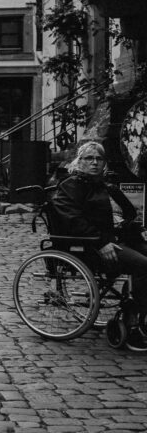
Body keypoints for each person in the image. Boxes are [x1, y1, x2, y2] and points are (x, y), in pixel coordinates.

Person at [51, 141, 147, 351]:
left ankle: (139, 311)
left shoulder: (107, 186)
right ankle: (132, 320)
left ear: (104, 163)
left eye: (99, 159)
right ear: (79, 161)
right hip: (90, 245)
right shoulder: (70, 186)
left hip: (117, 239)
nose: (94, 163)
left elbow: (130, 213)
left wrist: (130, 227)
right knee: (142, 266)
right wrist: (101, 242)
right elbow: (73, 220)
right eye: (89, 158)